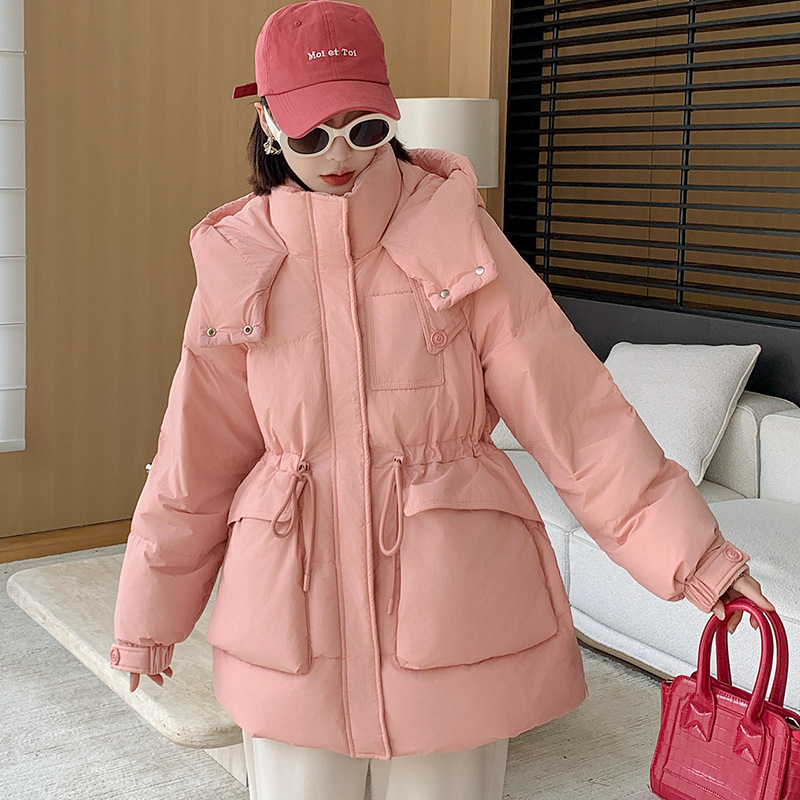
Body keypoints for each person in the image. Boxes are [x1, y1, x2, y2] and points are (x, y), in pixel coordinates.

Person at [109, 1, 775, 798]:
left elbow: (575, 412)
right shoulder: (239, 259)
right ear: (267, 122)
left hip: (451, 609)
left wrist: (698, 559)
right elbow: (195, 458)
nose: (340, 154)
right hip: (291, 615)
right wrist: (148, 615)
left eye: (364, 128)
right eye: (313, 134)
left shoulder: (454, 232)